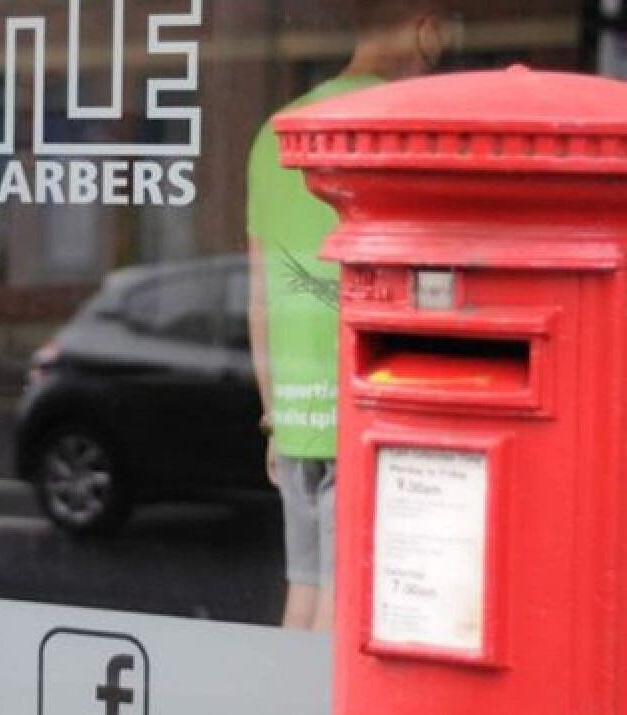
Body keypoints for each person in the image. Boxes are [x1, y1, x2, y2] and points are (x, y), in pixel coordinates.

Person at [247, 2, 454, 630]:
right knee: (345, 604)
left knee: (302, 592)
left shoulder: (275, 132)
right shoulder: (402, 127)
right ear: (426, 30)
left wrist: (275, 417)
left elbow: (261, 294)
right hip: (366, 407)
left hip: (299, 415)